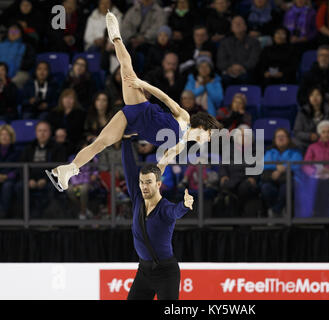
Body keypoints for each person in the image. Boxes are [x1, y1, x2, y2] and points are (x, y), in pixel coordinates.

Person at [47, 12, 223, 192]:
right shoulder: (184, 118)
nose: (208, 140)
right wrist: (142, 84)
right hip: (141, 108)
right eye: (210, 135)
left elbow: (161, 164)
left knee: (99, 144)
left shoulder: (180, 146)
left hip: (133, 127)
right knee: (127, 71)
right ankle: (116, 37)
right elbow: (165, 98)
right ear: (205, 127)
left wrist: (153, 184)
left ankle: (66, 170)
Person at [121, 144, 193, 300]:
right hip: (144, 271)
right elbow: (128, 166)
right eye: (141, 182)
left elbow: (176, 212)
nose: (144, 186)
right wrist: (126, 140)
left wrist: (185, 205)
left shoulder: (165, 208)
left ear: (158, 184)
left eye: (148, 182)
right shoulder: (138, 199)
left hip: (166, 273)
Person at [297, 120, 329, 217]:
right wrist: (314, 171)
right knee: (318, 184)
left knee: (325, 185)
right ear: (320, 133)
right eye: (324, 132)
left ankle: (321, 213)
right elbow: (306, 165)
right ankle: (321, 213)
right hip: (315, 176)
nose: (326, 134)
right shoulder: (312, 147)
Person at [17, 121, 67, 218]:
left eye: (45, 131)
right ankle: (23, 218)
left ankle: (46, 219)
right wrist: (29, 179)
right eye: (40, 131)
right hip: (31, 179)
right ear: (36, 133)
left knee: (53, 188)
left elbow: (59, 168)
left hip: (50, 180)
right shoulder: (29, 148)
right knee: (19, 187)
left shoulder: (58, 148)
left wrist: (45, 179)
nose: (42, 133)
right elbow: (21, 166)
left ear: (50, 133)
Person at [261, 128, 302, 217]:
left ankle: (275, 211)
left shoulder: (295, 151)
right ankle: (280, 210)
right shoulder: (270, 151)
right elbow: (264, 165)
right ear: (274, 140)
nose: (280, 138)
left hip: (289, 179)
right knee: (266, 188)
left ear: (288, 139)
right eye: (278, 137)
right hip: (273, 179)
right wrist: (277, 167)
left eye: (283, 136)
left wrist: (283, 168)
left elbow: (296, 164)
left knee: (287, 188)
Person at [217, 15, 261, 86]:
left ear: (245, 27)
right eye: (235, 23)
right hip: (229, 71)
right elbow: (221, 60)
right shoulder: (224, 42)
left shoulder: (254, 42)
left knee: (247, 77)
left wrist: (242, 67)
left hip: (247, 71)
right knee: (224, 79)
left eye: (240, 23)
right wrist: (230, 68)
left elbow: (254, 59)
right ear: (231, 28)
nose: (237, 24)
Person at [293, 86, 329, 152]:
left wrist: (320, 136)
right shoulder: (303, 112)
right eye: (312, 95)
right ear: (309, 98)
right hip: (306, 143)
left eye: (318, 95)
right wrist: (309, 136)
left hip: (323, 142)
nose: (315, 97)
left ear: (322, 97)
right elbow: (297, 132)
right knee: (295, 142)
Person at [47, 88, 87, 155]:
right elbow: (49, 125)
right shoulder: (54, 113)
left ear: (75, 100)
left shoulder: (81, 113)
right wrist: (56, 132)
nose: (68, 100)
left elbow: (79, 129)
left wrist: (64, 133)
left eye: (71, 98)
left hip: (73, 141)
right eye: (66, 97)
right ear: (61, 99)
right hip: (55, 139)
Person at [0, 23, 36, 89]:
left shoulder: (26, 46)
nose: (13, 33)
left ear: (21, 33)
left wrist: (17, 65)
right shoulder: (1, 45)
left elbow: (30, 62)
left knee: (11, 84)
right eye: (11, 31)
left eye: (16, 31)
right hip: (1, 71)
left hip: (19, 72)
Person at [0, 125, 19, 218]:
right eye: (2, 134)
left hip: (10, 179)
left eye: (7, 135)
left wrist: (7, 176)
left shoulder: (16, 152)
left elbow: (19, 169)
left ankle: (3, 214)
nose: (4, 137)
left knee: (7, 186)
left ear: (11, 137)